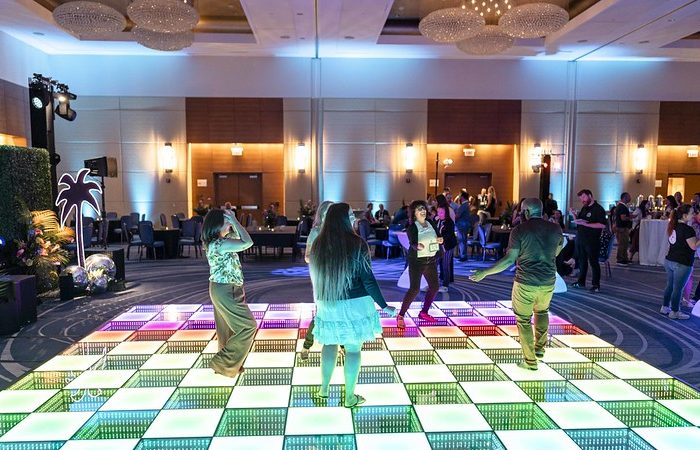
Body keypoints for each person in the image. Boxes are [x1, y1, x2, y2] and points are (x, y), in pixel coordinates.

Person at [308, 203, 397, 407]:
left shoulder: (319, 243)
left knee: (329, 344)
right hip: (355, 304)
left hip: (327, 302)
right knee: (353, 350)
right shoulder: (358, 244)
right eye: (349, 215)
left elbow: (316, 278)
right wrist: (384, 306)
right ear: (341, 219)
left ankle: (323, 390)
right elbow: (368, 280)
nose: (353, 218)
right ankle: (349, 397)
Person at [470, 198, 563, 370]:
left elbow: (509, 260)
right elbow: (560, 246)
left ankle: (529, 361)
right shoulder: (555, 228)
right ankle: (539, 350)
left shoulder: (519, 230)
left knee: (524, 320)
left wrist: (484, 273)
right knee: (542, 312)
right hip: (548, 281)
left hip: (526, 282)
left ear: (526, 212)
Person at [202, 208, 256, 377]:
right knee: (248, 326)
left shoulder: (218, 241)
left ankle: (227, 367)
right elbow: (247, 242)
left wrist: (232, 222)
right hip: (226, 290)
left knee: (226, 330)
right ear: (218, 225)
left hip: (220, 288)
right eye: (227, 222)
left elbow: (240, 238)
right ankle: (222, 363)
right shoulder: (220, 244)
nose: (230, 225)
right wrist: (236, 222)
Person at [397, 200, 443, 328]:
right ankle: (401, 315)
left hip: (431, 260)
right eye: (418, 209)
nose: (422, 211)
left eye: (423, 209)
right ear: (414, 213)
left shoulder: (431, 223)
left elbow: (439, 237)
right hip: (417, 261)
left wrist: (440, 240)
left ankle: (424, 312)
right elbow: (412, 242)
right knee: (415, 289)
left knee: (434, 287)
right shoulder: (412, 227)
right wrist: (417, 246)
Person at [301, 200, 334, 360]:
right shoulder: (316, 232)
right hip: (322, 276)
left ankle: (339, 344)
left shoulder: (338, 232)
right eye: (327, 212)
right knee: (322, 313)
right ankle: (307, 344)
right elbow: (307, 257)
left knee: (338, 312)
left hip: (338, 276)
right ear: (321, 214)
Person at [661, 204, 699, 320]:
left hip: (670, 260)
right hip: (682, 262)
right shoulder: (688, 229)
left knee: (670, 286)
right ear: (684, 215)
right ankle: (675, 311)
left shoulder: (673, 226)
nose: (694, 216)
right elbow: (693, 246)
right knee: (678, 288)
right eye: (692, 213)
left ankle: (665, 307)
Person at [571, 189, 607, 293]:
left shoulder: (598, 209)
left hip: (592, 241)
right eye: (581, 198)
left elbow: (602, 225)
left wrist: (586, 224)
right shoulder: (584, 208)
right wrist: (574, 215)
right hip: (582, 239)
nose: (582, 200)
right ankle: (581, 282)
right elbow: (580, 222)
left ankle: (596, 285)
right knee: (582, 262)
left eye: (583, 197)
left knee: (593, 263)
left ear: (590, 195)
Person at [436, 205, 456, 292]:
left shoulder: (449, 222)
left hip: (448, 246)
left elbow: (448, 235)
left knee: (445, 265)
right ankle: (433, 282)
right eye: (438, 212)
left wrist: (439, 239)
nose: (439, 214)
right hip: (439, 246)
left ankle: (445, 285)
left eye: (441, 212)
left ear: (446, 213)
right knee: (434, 264)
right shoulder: (438, 221)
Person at [614, 192, 633, 265]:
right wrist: (630, 217)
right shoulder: (622, 207)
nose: (630, 198)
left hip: (622, 227)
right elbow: (623, 218)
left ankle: (625, 258)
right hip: (622, 228)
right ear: (625, 197)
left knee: (625, 244)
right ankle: (620, 259)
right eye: (629, 197)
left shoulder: (621, 206)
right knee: (622, 244)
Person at [455, 191, 472, 262]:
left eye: (459, 196)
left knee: (462, 240)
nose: (459, 197)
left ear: (462, 197)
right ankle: (463, 254)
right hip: (465, 225)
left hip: (462, 225)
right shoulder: (467, 205)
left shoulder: (464, 205)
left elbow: (457, 216)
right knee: (463, 240)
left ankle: (463, 256)